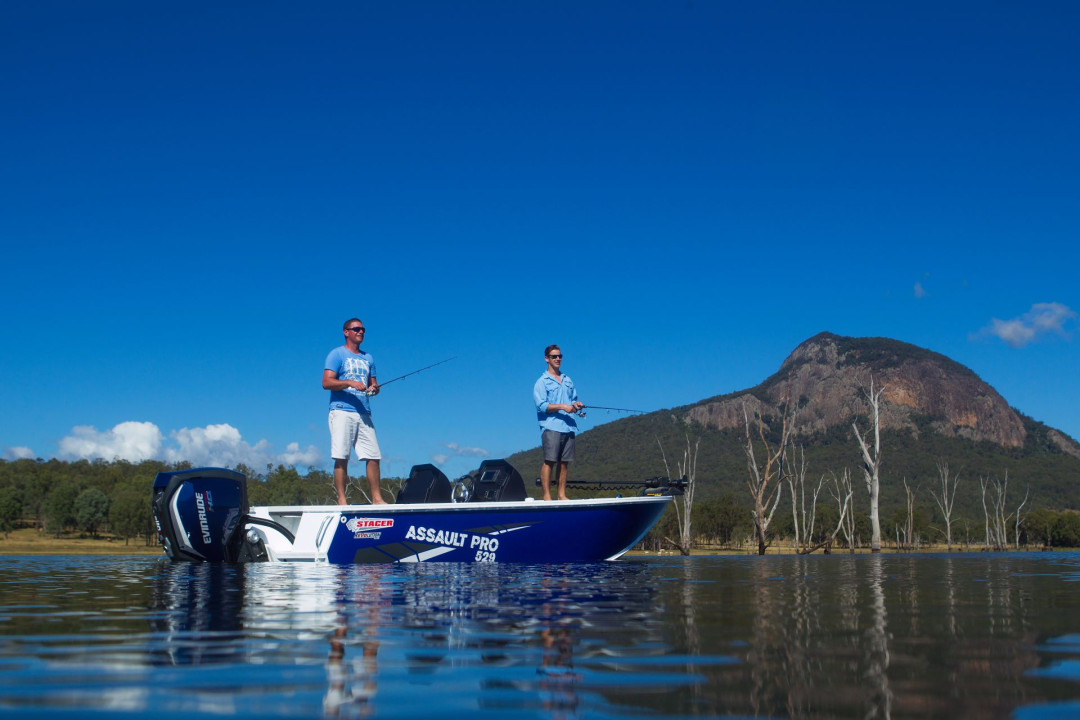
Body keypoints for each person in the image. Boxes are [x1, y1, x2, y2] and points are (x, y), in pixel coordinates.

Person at [323, 318, 387, 505]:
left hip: (364, 412)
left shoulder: (368, 358)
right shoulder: (337, 354)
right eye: (356, 329)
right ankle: (342, 500)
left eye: (363, 329)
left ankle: (377, 498)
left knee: (374, 456)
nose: (361, 332)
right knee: (342, 456)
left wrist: (374, 388)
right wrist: (349, 382)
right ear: (346, 332)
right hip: (342, 410)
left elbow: (373, 384)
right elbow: (327, 382)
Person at [533, 344, 584, 501]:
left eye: (560, 356)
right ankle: (547, 496)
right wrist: (562, 406)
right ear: (546, 359)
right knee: (550, 461)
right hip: (551, 426)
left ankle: (561, 495)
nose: (557, 359)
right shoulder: (541, 382)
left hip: (568, 426)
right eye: (554, 356)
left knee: (564, 463)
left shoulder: (567, 380)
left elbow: (573, 399)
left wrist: (576, 406)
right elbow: (541, 406)